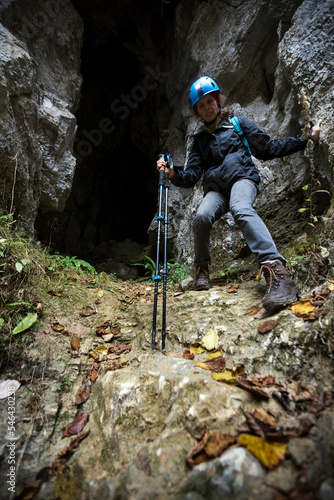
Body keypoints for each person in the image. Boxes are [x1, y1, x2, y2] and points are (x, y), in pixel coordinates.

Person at [157, 76, 322, 313]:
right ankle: (202, 270)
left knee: (241, 208)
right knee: (201, 216)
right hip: (216, 189)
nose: (207, 107)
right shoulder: (199, 142)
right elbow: (192, 175)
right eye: (201, 105)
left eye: (210, 101)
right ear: (197, 112)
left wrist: (306, 138)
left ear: (218, 100)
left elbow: (268, 149)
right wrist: (172, 173)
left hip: (243, 179)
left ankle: (278, 273)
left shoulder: (237, 124)